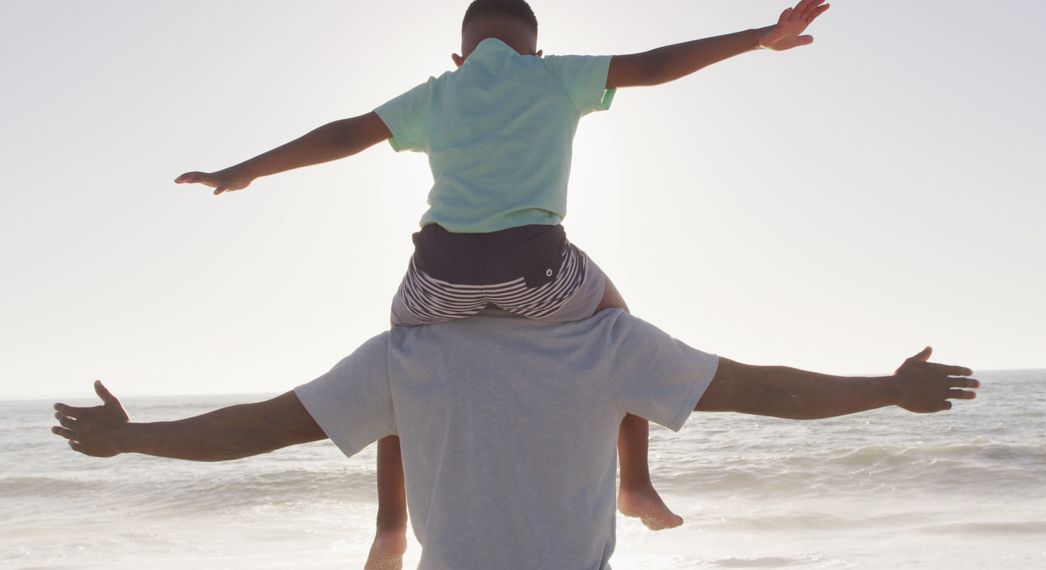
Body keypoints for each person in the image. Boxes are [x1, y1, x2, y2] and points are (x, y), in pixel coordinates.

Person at [172, 0, 832, 562]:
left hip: (437, 278)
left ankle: (389, 529)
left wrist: (246, 169)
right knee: (621, 327)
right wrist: (756, 38)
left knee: (402, 374)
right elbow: (655, 66)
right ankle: (635, 481)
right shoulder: (556, 79)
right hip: (539, 273)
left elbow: (346, 135)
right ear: (537, 51)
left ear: (460, 57)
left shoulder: (436, 93)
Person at [51, 310, 979, 570]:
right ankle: (636, 486)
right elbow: (260, 427)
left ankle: (635, 486)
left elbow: (755, 389)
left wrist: (887, 392)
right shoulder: (403, 356)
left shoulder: (607, 340)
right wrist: (134, 440)